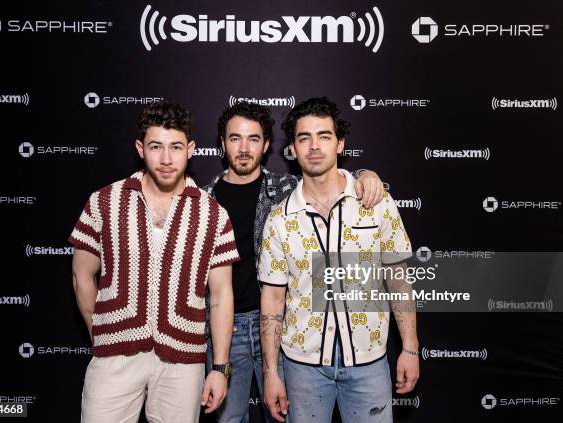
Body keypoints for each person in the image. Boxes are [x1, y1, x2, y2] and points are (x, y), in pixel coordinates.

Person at [203, 102, 386, 422]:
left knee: (290, 415)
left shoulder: (287, 190)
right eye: (235, 139)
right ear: (222, 143)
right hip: (223, 330)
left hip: (281, 328)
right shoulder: (203, 201)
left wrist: (364, 174)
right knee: (227, 418)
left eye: (253, 139)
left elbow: (329, 179)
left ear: (267, 145)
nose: (244, 149)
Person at [69, 100, 239, 423]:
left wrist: (219, 367)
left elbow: (220, 295)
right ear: (140, 147)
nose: (165, 159)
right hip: (114, 359)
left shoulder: (213, 215)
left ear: (190, 149)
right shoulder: (104, 202)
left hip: (184, 361)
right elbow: (82, 276)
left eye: (175, 147)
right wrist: (104, 333)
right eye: (155, 146)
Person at [259, 97, 419, 422]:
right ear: (292, 148)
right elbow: (273, 299)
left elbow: (398, 280)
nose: (314, 146)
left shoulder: (375, 202)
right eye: (304, 138)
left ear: (340, 143)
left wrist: (410, 347)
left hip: (369, 359)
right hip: (302, 365)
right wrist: (271, 372)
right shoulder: (279, 220)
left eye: (324, 136)